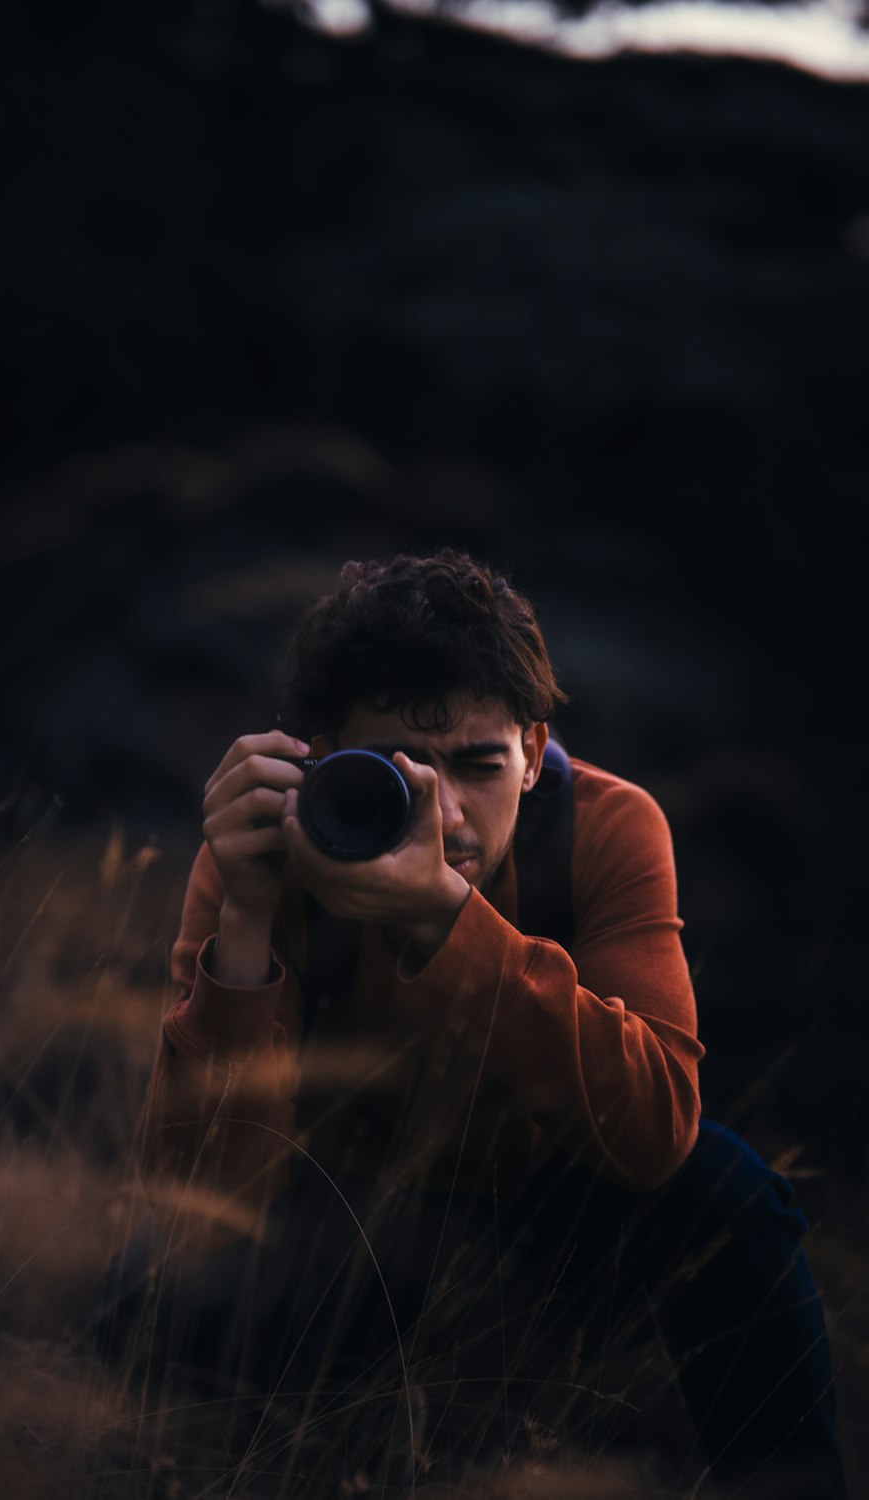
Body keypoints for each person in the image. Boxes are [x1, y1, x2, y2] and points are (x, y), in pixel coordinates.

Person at [100, 551, 845, 1498]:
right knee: (137, 1303)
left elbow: (660, 1130)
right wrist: (245, 924)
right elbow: (198, 1198)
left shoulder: (606, 826)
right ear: (324, 756)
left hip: (552, 1205)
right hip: (347, 1220)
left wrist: (443, 920)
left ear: (535, 753)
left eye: (479, 764)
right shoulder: (270, 854)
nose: (441, 811)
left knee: (733, 1197)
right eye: (397, 770)